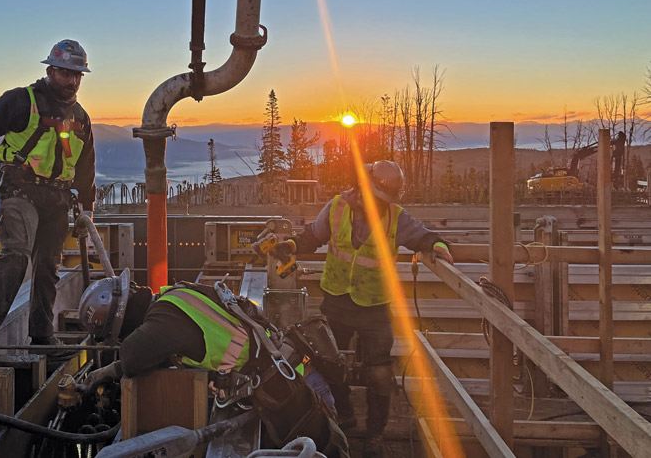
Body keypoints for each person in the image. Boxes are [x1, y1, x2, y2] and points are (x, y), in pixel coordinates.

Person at [272, 160, 453, 458]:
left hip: (375, 305)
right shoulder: (337, 207)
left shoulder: (396, 217)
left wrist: (438, 246)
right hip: (337, 299)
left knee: (380, 373)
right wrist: (290, 244)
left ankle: (375, 434)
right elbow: (312, 236)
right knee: (328, 362)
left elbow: (422, 236)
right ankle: (342, 415)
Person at [78, 270, 350, 458]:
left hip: (297, 393)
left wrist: (106, 371)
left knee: (325, 449)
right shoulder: (175, 297)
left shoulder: (163, 319)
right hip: (290, 378)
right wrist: (106, 372)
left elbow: (132, 357)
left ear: (121, 323)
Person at [0, 39, 96, 368]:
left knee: (48, 266)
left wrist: (87, 209)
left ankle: (42, 336)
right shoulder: (21, 101)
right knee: (15, 255)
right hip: (20, 190)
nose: (71, 81)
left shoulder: (81, 118)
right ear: (50, 70)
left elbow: (86, 169)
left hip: (57, 198)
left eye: (77, 75)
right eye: (65, 73)